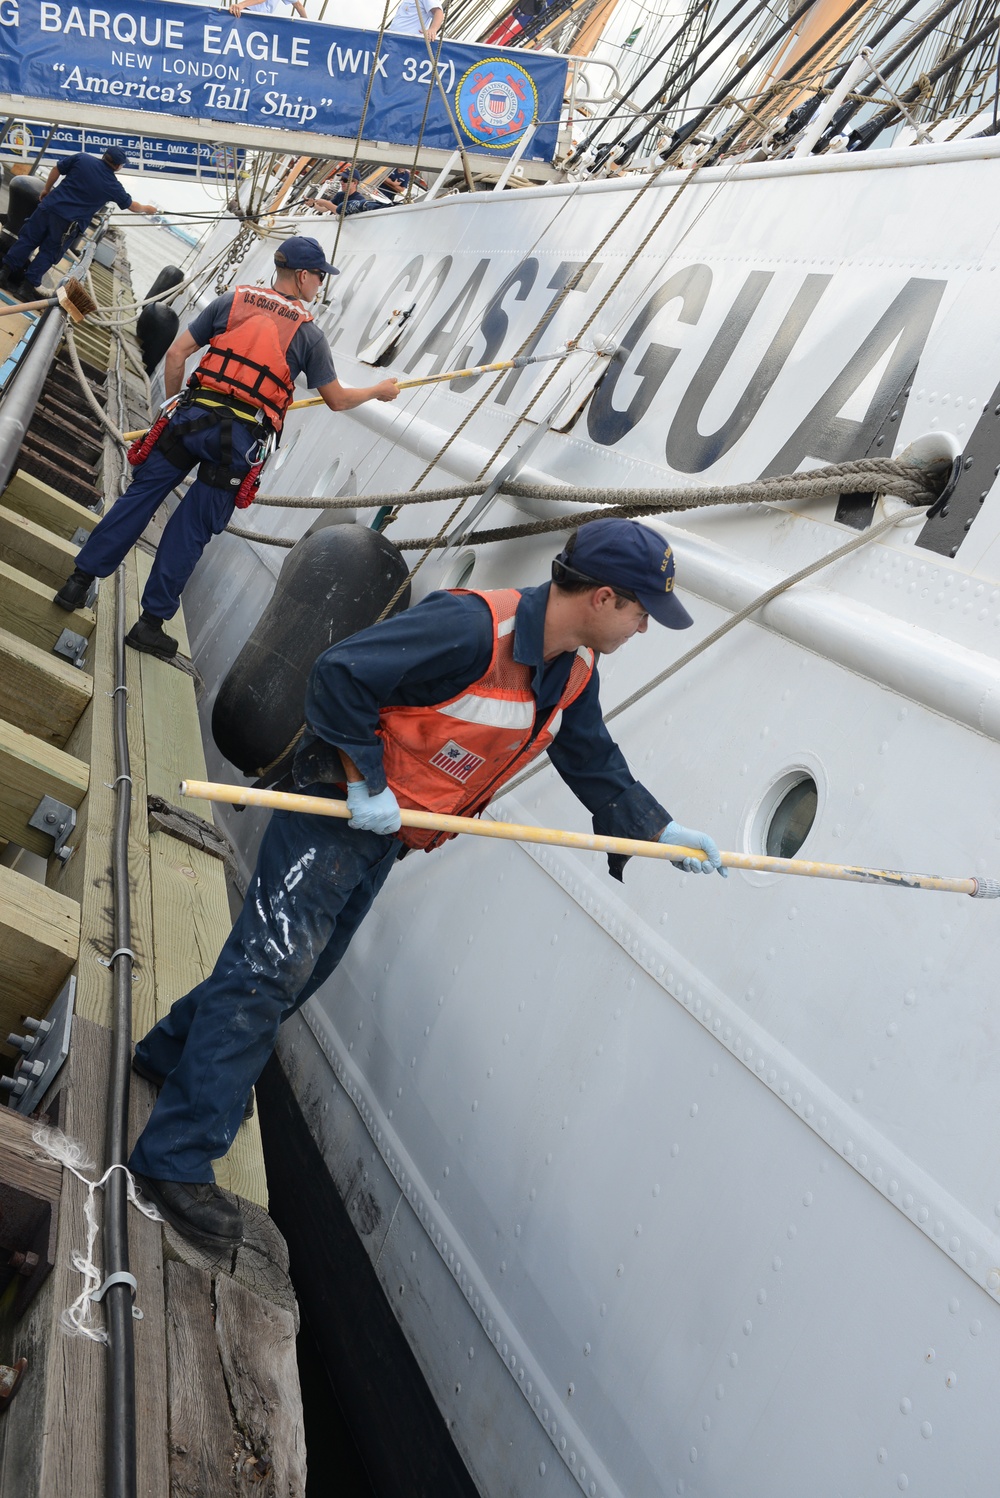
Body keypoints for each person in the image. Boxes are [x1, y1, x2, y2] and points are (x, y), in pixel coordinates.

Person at [126, 517, 726, 1251]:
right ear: (603, 597)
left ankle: (168, 1056)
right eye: (640, 611)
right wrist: (368, 781)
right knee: (268, 974)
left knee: (293, 975)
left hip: (386, 836)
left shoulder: (572, 669)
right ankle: (174, 1159)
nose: (642, 627)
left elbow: (590, 754)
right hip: (336, 812)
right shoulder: (474, 629)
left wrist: (655, 829)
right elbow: (340, 674)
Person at [52, 236, 399, 660]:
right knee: (190, 530)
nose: (320, 287)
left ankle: (77, 583)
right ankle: (148, 625)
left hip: (189, 421)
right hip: (235, 444)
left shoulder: (233, 300)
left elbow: (178, 354)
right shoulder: (308, 335)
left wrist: (175, 407)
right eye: (319, 278)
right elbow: (337, 400)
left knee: (138, 499)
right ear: (304, 276)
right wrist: (378, 389)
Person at [0, 147, 157, 297]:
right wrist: (147, 208)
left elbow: (56, 169)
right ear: (117, 165)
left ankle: (3, 273)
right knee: (48, 253)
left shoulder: (82, 158)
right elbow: (132, 206)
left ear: (104, 156)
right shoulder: (113, 186)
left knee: (27, 240)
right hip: (66, 224)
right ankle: (25, 289)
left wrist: (46, 190)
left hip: (47, 208)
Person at [302, 168, 391, 216]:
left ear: (354, 183)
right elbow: (325, 209)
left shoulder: (359, 199)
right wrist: (312, 205)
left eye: (345, 180)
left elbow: (339, 211)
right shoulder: (340, 195)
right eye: (341, 179)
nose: (341, 182)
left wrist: (324, 202)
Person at [230, 0, 308, 16]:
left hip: (252, 14)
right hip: (249, 13)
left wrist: (241, 5)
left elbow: (298, 5)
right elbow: (298, 5)